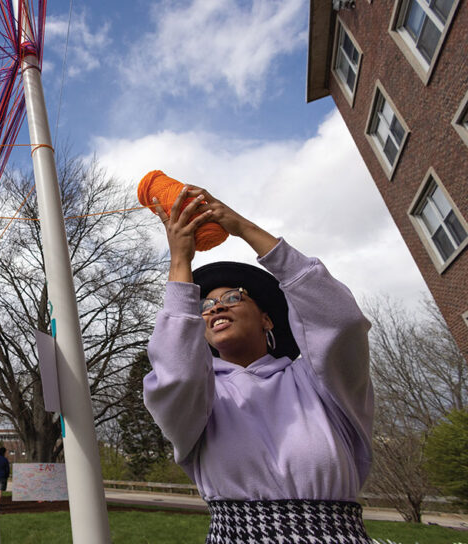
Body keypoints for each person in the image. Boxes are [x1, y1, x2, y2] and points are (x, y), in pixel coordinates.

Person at [144, 186, 374, 543]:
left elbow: (340, 321)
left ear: (267, 320)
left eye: (233, 298)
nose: (216, 307)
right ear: (198, 329)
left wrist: (241, 226)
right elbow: (175, 374)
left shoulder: (319, 383)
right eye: (205, 305)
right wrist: (180, 261)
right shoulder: (202, 402)